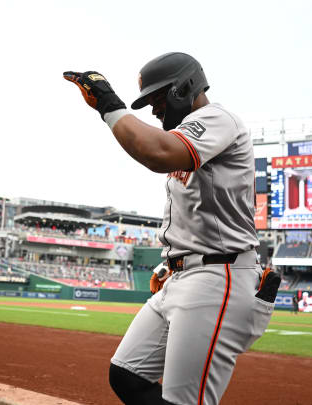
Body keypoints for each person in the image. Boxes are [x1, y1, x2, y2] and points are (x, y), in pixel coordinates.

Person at [64, 52, 280, 405]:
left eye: (158, 99)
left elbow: (156, 152)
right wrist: (173, 263)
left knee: (183, 400)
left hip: (217, 276)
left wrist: (109, 104)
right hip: (188, 275)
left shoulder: (217, 118)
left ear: (185, 87)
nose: (154, 110)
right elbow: (196, 212)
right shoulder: (191, 134)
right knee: (127, 375)